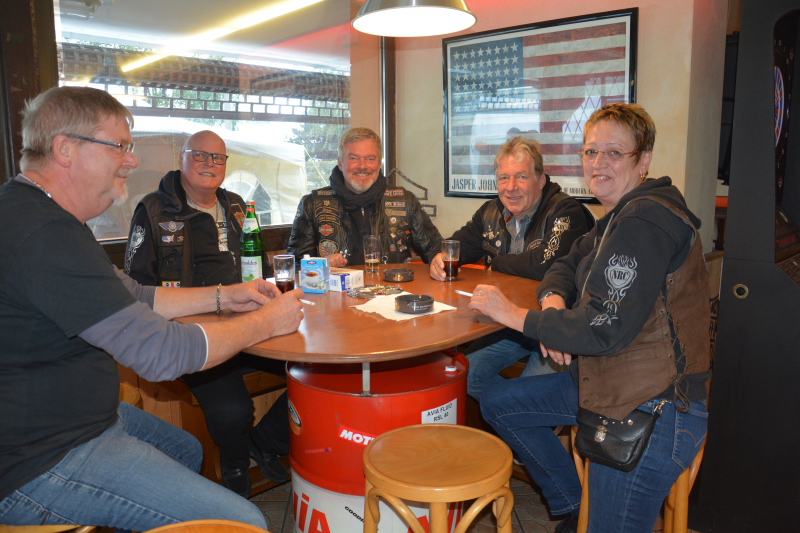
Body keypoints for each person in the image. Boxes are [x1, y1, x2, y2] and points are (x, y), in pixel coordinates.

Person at [0, 86, 304, 531]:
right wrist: (265, 322)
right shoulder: (43, 233)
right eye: (119, 146)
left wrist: (225, 295)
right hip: (39, 458)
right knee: (244, 522)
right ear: (64, 149)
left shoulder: (43, 215)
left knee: (187, 450)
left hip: (76, 418)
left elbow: (137, 295)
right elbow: (159, 353)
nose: (132, 160)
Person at [471, 104, 711, 533]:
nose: (598, 163)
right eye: (590, 151)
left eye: (614, 153)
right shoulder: (616, 216)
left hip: (651, 406)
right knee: (498, 402)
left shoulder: (645, 220)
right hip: (608, 380)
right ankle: (570, 503)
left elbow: (603, 328)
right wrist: (552, 304)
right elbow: (565, 263)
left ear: (643, 159)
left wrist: (515, 315)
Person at [124, 130, 290, 498]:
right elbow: (138, 287)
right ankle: (234, 459)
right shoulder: (153, 209)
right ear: (181, 158)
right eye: (199, 155)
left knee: (315, 375)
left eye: (218, 158)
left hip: (250, 325)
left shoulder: (237, 206)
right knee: (232, 410)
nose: (209, 164)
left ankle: (263, 442)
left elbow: (258, 267)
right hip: (195, 335)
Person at [430, 137, 594, 400]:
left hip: (554, 327)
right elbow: (453, 246)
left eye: (521, 177)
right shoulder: (490, 212)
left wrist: (496, 262)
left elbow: (544, 265)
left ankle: (513, 409)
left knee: (527, 398)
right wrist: (438, 258)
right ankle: (507, 409)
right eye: (504, 178)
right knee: (463, 376)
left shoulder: (566, 211)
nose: (511, 187)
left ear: (541, 180)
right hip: (507, 325)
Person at [288, 127, 442, 266]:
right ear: (340, 164)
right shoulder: (312, 204)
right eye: (353, 158)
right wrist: (321, 265)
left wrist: (440, 260)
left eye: (370, 159)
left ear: (379, 164)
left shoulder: (405, 201)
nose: (362, 166)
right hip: (337, 288)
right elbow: (294, 266)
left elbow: (436, 251)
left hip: (393, 287)